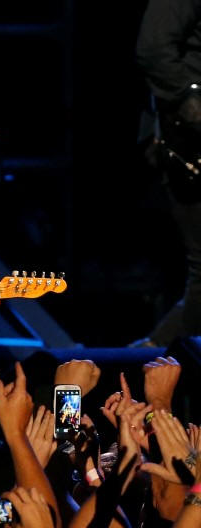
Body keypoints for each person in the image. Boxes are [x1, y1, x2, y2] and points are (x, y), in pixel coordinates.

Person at [135, 0, 201, 347]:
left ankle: (150, 356)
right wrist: (189, 102)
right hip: (189, 142)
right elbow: (154, 47)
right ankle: (152, 361)